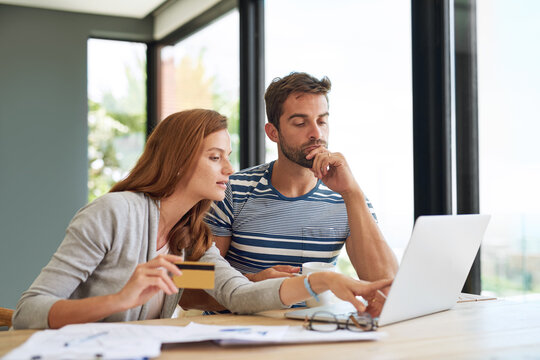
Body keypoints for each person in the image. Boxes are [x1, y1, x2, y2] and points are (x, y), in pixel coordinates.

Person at [12, 109, 391, 330]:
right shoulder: (112, 214)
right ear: (177, 162)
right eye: (215, 157)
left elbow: (237, 295)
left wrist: (321, 280)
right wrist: (119, 299)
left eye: (227, 156)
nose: (229, 168)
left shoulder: (190, 237)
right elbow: (28, 311)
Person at [180, 73, 398, 312]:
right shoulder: (230, 191)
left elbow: (386, 288)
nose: (316, 133)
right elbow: (186, 289)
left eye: (322, 121)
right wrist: (253, 283)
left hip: (312, 333)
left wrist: (352, 192)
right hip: (239, 335)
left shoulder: (348, 197)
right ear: (273, 132)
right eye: (300, 123)